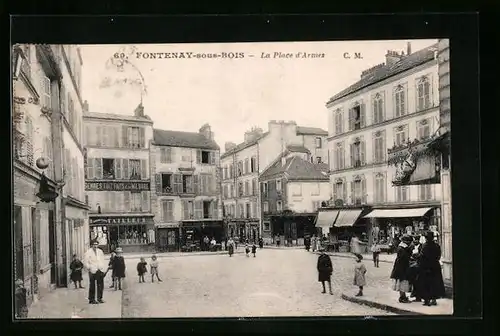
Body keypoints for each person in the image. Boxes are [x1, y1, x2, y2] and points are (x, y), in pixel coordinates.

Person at [418, 231, 446, 306]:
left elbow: (422, 256)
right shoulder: (437, 245)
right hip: (435, 266)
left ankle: (427, 300)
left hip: (426, 267)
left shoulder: (424, 246)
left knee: (426, 283)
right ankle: (434, 300)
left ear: (426, 238)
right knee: (435, 283)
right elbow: (439, 255)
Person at [390, 235, 413, 303]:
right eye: (408, 241)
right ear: (405, 241)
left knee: (402, 282)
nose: (409, 243)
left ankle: (403, 296)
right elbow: (405, 258)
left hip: (400, 267)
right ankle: (402, 297)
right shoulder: (402, 248)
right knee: (403, 282)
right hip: (401, 268)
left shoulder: (402, 247)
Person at [84, 240, 108, 304]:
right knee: (92, 285)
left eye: (96, 244)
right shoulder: (88, 252)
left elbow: (103, 259)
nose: (95, 246)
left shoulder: (100, 251)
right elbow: (86, 262)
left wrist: (102, 267)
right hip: (92, 270)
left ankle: (99, 298)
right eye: (94, 244)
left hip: (99, 269)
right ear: (92, 245)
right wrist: (89, 268)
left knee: (100, 284)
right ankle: (92, 299)